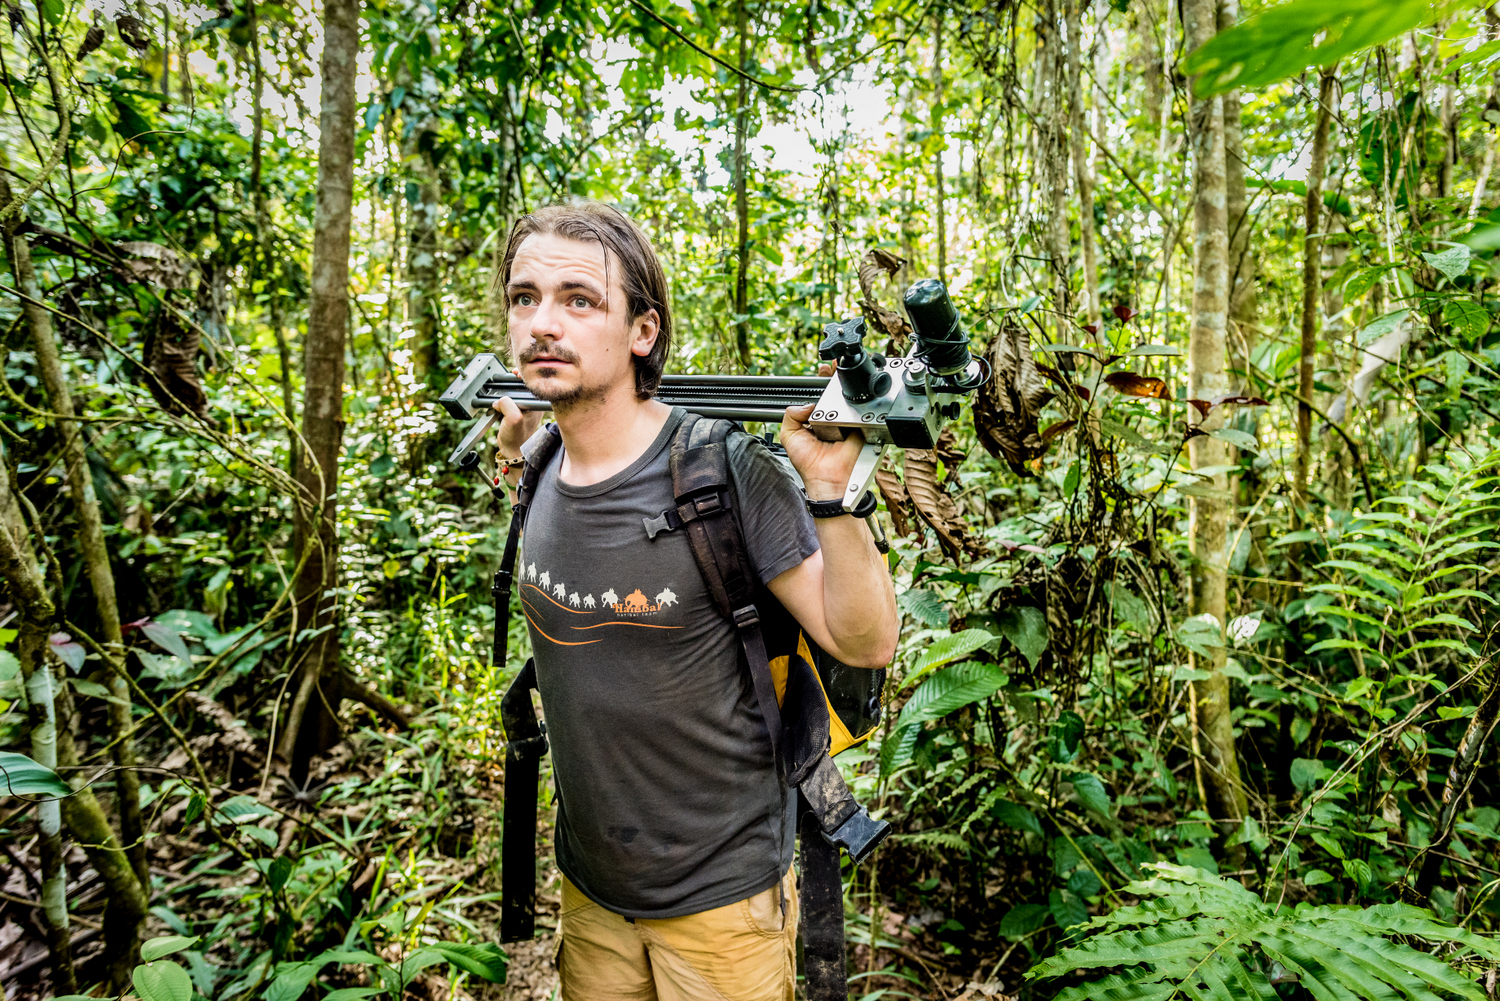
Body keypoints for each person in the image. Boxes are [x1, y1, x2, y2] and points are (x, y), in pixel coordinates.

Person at [490, 200, 899, 1001]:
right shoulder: (537, 462)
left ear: (642, 331)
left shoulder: (724, 472)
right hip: (591, 891)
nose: (543, 323)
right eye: (524, 297)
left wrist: (829, 491)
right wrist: (514, 454)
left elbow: (865, 640)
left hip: (723, 911)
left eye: (579, 299)